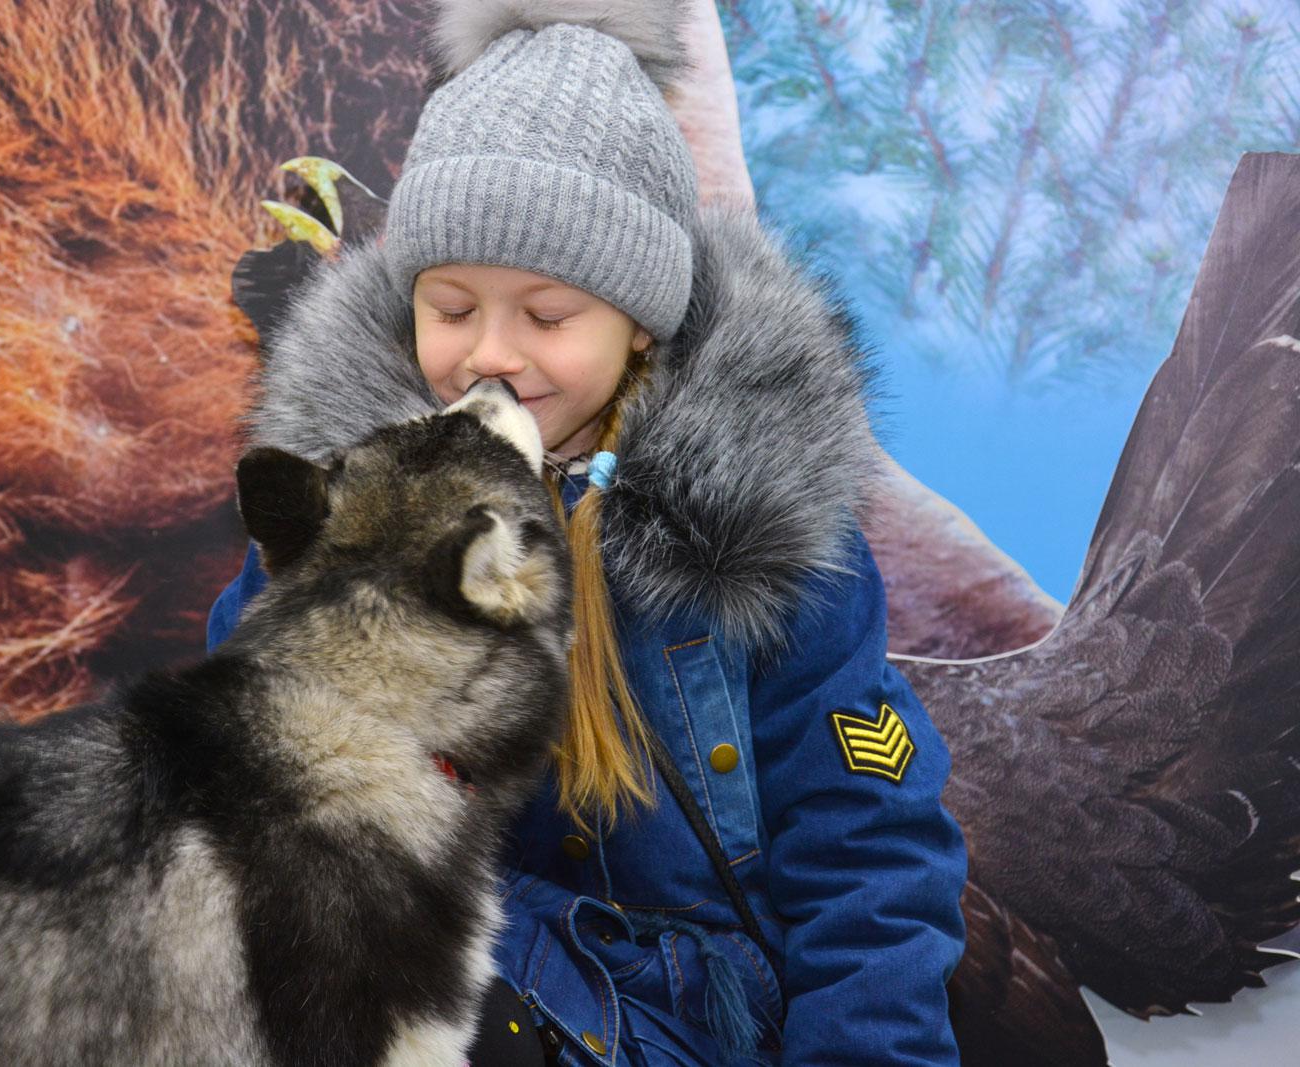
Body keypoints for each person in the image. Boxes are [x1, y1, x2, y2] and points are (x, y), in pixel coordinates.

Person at [206, 2, 968, 1063]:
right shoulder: (352, 507)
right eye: (451, 308)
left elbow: (868, 857)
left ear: (640, 323)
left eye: (547, 316)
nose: (490, 353)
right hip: (455, 975)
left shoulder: (770, 541)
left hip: (684, 1013)